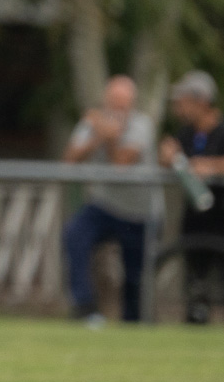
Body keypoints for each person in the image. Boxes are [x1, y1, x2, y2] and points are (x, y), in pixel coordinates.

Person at [158, 70, 224, 325]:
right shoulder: (186, 133)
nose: (179, 107)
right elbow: (172, 155)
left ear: (201, 101)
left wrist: (209, 166)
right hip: (196, 217)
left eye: (183, 101)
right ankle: (196, 321)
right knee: (195, 278)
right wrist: (168, 156)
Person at [61, 75, 156, 326]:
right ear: (106, 100)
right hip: (103, 205)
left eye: (123, 104)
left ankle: (133, 322)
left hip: (138, 211)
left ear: (132, 104)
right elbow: (70, 159)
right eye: (114, 102)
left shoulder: (142, 125)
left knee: (134, 274)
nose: (118, 109)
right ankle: (84, 307)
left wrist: (111, 137)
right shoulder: (95, 121)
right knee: (75, 234)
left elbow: (121, 165)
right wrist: (98, 136)